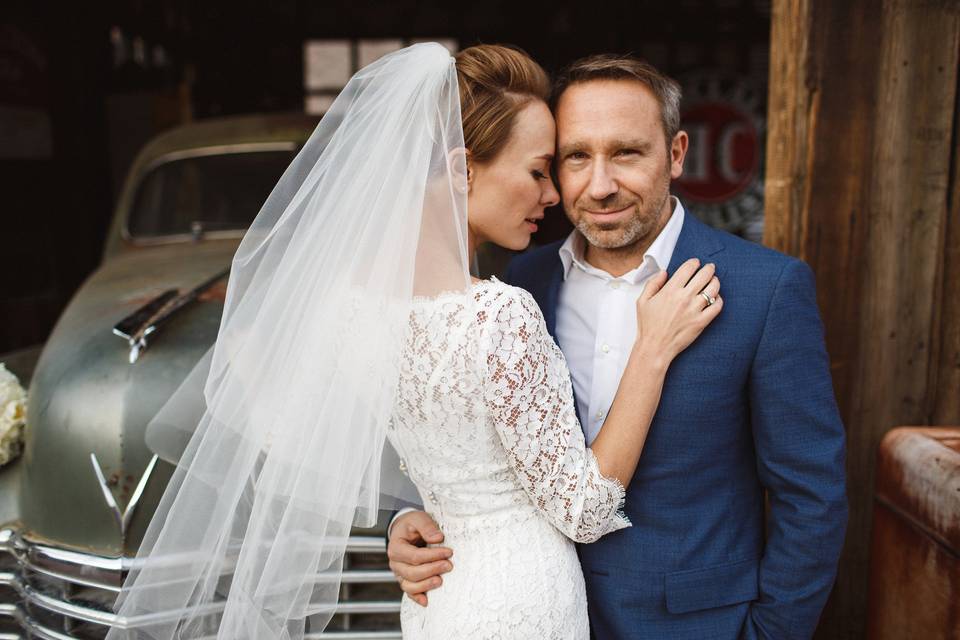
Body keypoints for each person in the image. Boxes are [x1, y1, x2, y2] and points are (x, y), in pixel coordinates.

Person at [105, 43, 718, 640]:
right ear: (461, 169)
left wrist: (414, 513)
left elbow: (369, 448)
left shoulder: (348, 310)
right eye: (539, 170)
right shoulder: (498, 313)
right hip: (520, 604)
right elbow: (582, 509)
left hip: (442, 603)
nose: (554, 194)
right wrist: (651, 350)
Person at [388, 54, 849, 640]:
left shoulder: (766, 289)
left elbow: (812, 498)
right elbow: (459, 433)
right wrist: (410, 521)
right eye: (576, 157)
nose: (599, 186)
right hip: (530, 615)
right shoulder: (517, 286)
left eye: (626, 153)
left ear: (676, 153)